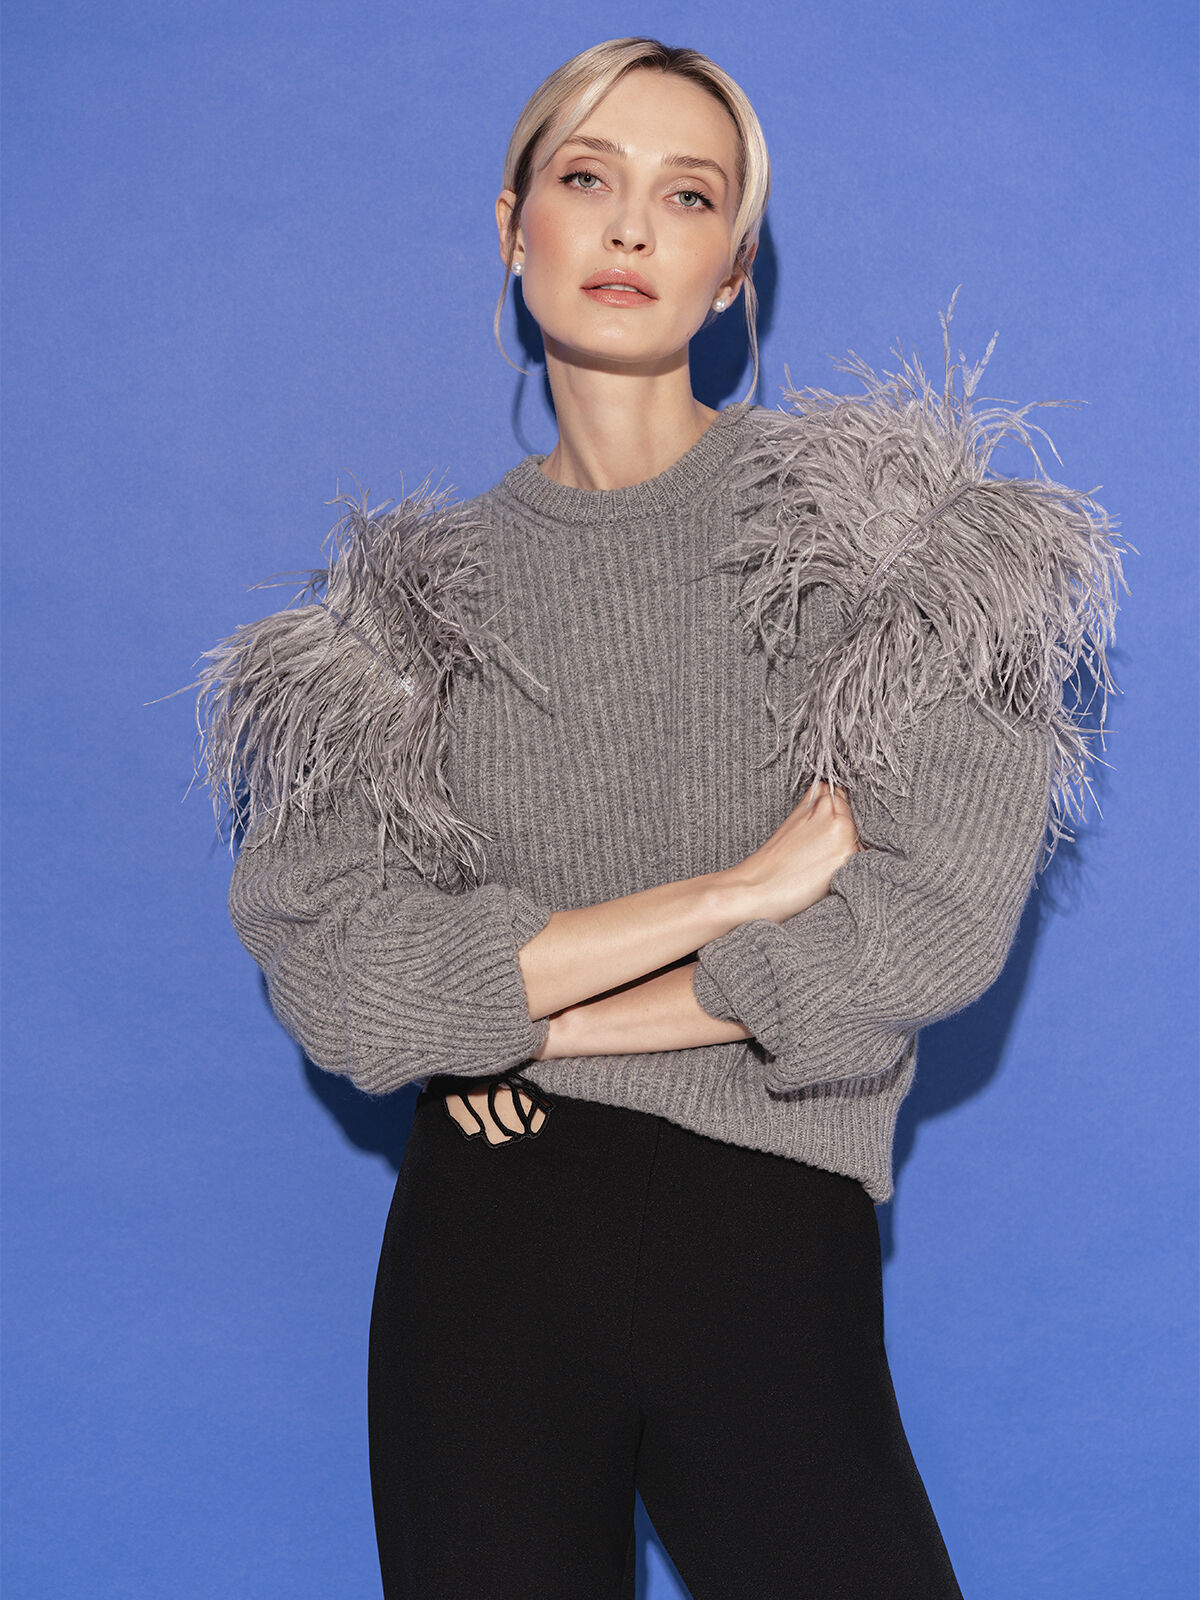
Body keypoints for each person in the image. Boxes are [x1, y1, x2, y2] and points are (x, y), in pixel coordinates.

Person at [193, 36, 1129, 1600]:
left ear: (734, 269)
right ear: (514, 227)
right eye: (587, 178)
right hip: (484, 1258)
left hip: (766, 1231)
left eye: (687, 196)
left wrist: (533, 1022)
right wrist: (729, 895)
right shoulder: (391, 630)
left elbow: (923, 924)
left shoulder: (894, 555)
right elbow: (347, 983)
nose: (630, 225)